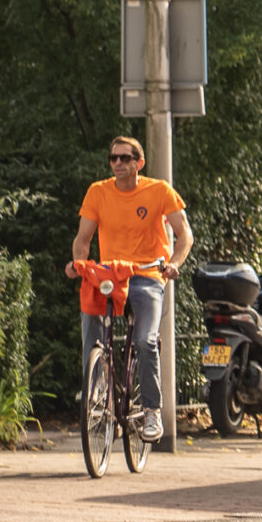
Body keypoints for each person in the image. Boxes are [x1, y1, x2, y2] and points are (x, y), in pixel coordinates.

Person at [66, 136, 193, 443]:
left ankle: (151, 410)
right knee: (89, 320)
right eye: (113, 158)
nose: (118, 164)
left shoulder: (159, 190)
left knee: (145, 340)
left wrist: (174, 263)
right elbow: (83, 238)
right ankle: (95, 383)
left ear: (140, 163)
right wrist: (79, 264)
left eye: (124, 158)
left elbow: (184, 234)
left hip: (147, 275)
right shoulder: (98, 191)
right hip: (110, 275)